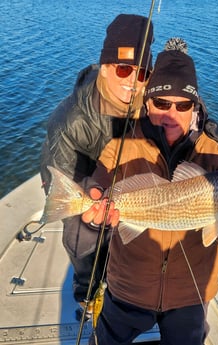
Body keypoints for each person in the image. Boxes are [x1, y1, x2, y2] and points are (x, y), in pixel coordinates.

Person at [85, 40, 218, 345]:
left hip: (190, 293)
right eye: (162, 103)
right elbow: (99, 182)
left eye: (183, 105)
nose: (171, 114)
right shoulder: (122, 145)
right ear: (147, 102)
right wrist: (94, 199)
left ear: (195, 106)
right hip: (128, 288)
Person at [40, 14, 154, 309]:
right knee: (81, 236)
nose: (132, 81)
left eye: (141, 73)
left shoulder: (153, 104)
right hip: (83, 185)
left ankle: (134, 288)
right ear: (104, 68)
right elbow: (59, 182)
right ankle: (87, 292)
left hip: (136, 189)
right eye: (123, 69)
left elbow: (185, 107)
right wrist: (89, 207)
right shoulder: (68, 120)